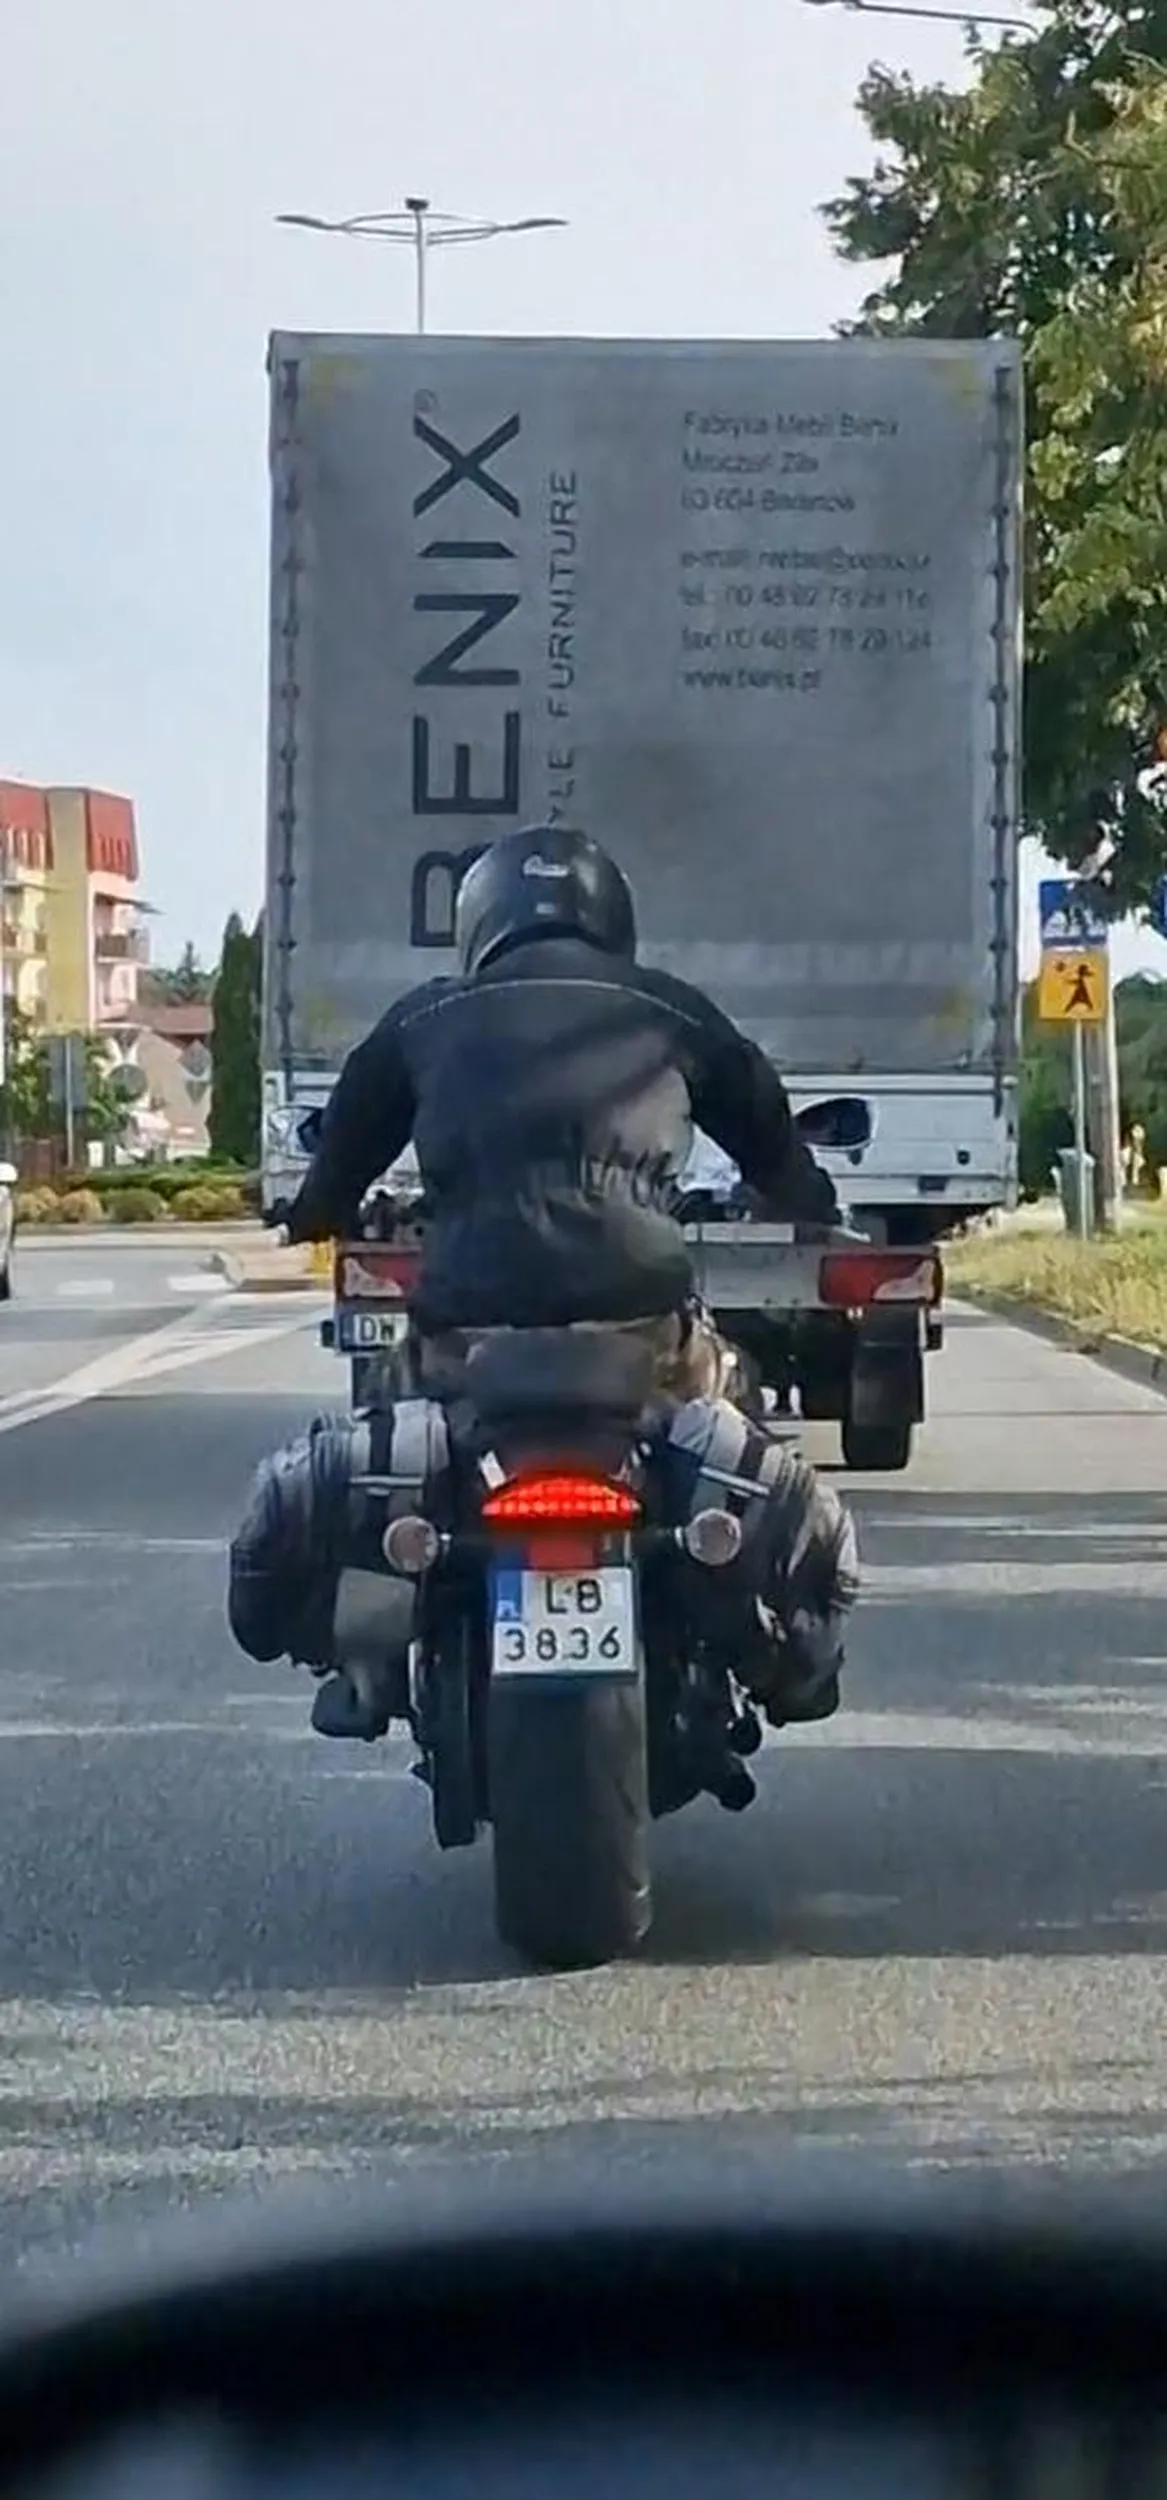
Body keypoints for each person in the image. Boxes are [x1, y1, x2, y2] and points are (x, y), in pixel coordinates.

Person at [237, 825, 858, 1731]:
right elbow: (767, 1136)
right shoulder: (671, 1011)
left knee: (397, 1435)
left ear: (480, 922)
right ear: (613, 918)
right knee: (729, 1411)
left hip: (468, 1324)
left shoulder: (422, 1018)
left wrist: (310, 1214)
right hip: (639, 1320)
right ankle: (760, 1641)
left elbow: (338, 1167)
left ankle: (373, 1663)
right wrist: (806, 1195)